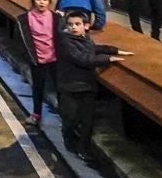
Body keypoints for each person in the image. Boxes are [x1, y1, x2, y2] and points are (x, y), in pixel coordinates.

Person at [55, 8, 128, 160]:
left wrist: (114, 50)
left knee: (88, 120)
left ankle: (84, 149)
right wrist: (106, 59)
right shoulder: (65, 42)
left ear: (86, 26)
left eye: (77, 24)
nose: (73, 27)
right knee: (71, 117)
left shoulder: (85, 38)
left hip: (87, 86)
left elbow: (93, 49)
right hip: (70, 87)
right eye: (70, 24)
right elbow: (82, 59)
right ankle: (69, 139)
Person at [21, 0, 58, 128]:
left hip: (54, 58)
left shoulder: (56, 18)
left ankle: (67, 116)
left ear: (49, 2)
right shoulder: (25, 18)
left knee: (60, 87)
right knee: (38, 87)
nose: (42, 2)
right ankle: (36, 113)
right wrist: (28, 55)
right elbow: (23, 39)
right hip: (37, 58)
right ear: (33, 1)